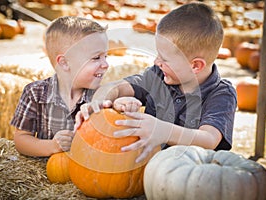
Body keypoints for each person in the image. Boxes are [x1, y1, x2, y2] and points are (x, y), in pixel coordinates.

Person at [75, 2, 237, 163]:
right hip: (146, 172)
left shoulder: (221, 94)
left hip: (191, 177)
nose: (156, 61)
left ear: (195, 65)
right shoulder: (158, 76)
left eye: (164, 59)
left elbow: (209, 139)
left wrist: (163, 131)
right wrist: (102, 100)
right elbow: (119, 87)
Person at [10, 16, 109, 157]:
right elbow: (21, 140)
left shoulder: (101, 98)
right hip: (48, 171)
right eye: (96, 58)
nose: (106, 64)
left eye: (106, 56)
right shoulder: (35, 93)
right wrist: (51, 146)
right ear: (64, 63)